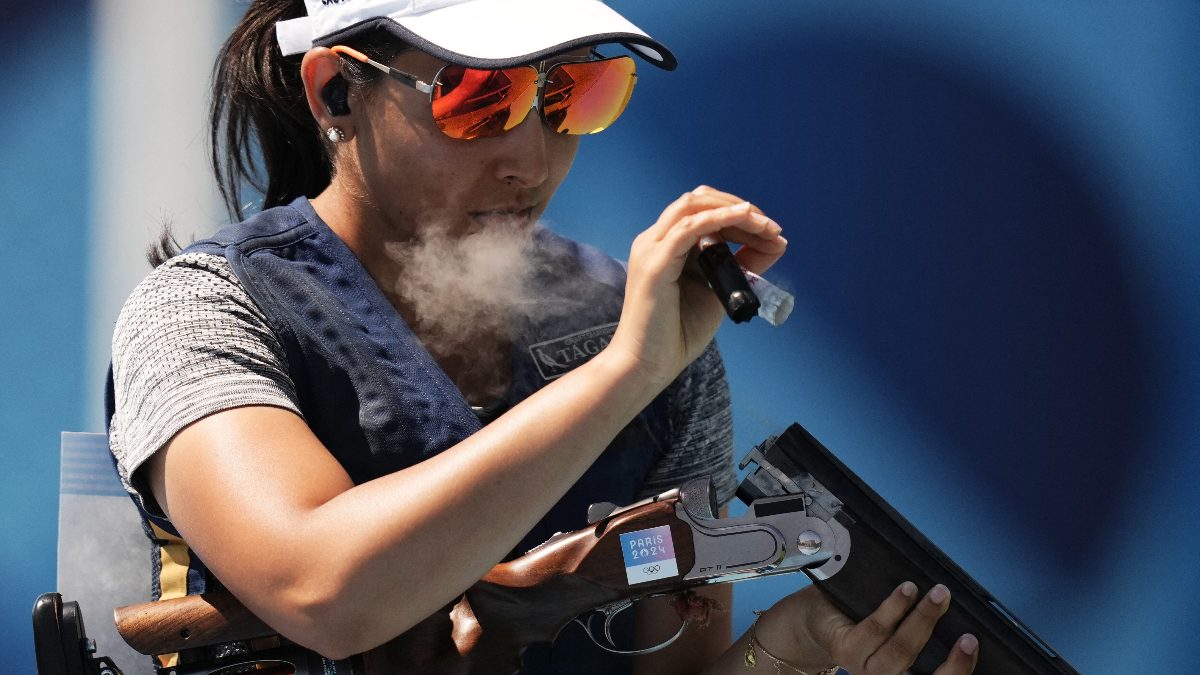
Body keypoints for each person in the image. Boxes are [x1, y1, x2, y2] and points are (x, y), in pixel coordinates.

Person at [106, 0, 980, 673]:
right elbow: (322, 592)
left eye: (572, 96)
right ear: (335, 89)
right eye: (480, 99)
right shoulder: (204, 306)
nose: (531, 159)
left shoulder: (642, 334)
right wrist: (622, 376)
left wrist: (796, 645)